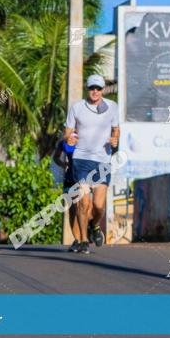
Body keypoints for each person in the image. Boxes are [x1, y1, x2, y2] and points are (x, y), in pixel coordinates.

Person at [64, 74, 120, 254]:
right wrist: (69, 140)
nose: (95, 91)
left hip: (102, 161)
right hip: (81, 160)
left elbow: (116, 129)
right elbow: (68, 132)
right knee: (83, 201)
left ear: (103, 90)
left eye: (98, 88)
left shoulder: (112, 107)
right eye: (91, 88)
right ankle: (82, 240)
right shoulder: (77, 108)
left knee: (98, 206)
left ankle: (95, 225)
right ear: (87, 89)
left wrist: (115, 140)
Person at [53, 134, 82, 252]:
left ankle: (85, 235)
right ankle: (77, 240)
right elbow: (56, 157)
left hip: (84, 178)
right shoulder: (64, 141)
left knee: (83, 207)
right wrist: (64, 164)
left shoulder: (86, 139)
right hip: (70, 178)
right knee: (72, 210)